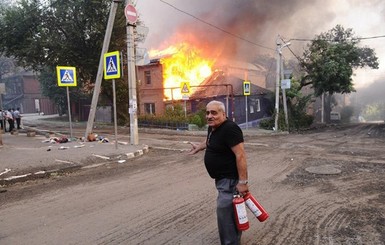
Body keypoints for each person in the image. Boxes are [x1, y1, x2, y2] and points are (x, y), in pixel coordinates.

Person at [189, 100, 249, 245]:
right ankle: (234, 239)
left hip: (230, 180)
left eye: (214, 113)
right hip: (222, 180)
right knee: (229, 213)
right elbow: (210, 142)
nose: (209, 116)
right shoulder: (213, 127)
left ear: (223, 114)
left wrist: (242, 182)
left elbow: (240, 155)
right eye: (208, 112)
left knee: (225, 216)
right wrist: (200, 147)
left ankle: (231, 242)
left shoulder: (230, 129)